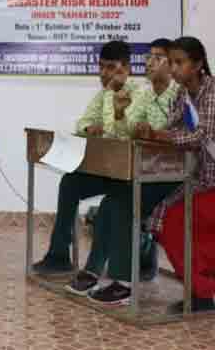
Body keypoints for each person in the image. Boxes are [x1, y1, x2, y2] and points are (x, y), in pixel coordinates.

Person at [63, 38, 180, 305]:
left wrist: (151, 132)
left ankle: (123, 283)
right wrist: (118, 115)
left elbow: (172, 134)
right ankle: (94, 272)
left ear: (172, 65)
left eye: (158, 58)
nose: (149, 62)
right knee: (108, 204)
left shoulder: (178, 95)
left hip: (174, 175)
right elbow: (127, 132)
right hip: (146, 171)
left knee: (119, 204)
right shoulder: (146, 94)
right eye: (148, 57)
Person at [32, 40, 142, 275]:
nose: (103, 73)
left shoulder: (139, 94)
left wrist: (110, 125)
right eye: (101, 66)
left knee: (110, 205)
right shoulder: (103, 95)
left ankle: (106, 266)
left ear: (126, 68)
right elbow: (83, 122)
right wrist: (89, 128)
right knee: (70, 183)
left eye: (110, 67)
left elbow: (129, 131)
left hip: (132, 174)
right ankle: (59, 255)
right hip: (109, 170)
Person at [139, 37, 215, 314]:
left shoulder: (211, 91)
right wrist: (150, 131)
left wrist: (164, 136)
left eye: (178, 62)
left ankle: (202, 292)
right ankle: (201, 291)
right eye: (170, 62)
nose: (172, 68)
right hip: (200, 178)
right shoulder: (183, 94)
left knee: (172, 221)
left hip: (212, 180)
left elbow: (203, 135)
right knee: (164, 219)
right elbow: (170, 127)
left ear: (197, 64)